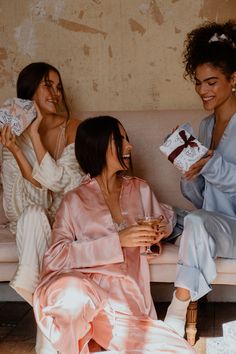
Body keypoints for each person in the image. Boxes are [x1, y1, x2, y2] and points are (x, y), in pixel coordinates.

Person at [33, 116, 195, 354]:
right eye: (120, 140)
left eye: (126, 140)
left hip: (126, 307)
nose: (129, 147)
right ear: (98, 145)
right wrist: (117, 241)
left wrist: (158, 232)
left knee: (182, 351)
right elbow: (55, 257)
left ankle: (97, 344)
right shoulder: (74, 200)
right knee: (73, 298)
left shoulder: (140, 189)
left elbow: (163, 222)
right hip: (83, 293)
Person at [164, 20, 236, 340]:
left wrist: (211, 164)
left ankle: (175, 315)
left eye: (211, 82)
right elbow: (201, 199)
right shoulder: (205, 127)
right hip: (214, 224)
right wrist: (190, 173)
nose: (203, 90)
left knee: (194, 222)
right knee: (181, 216)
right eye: (198, 83)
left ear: (234, 80)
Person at [0, 62, 83, 306]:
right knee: (33, 214)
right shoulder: (12, 132)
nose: (56, 94)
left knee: (36, 213)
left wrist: (36, 135)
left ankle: (32, 291)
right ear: (30, 89)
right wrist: (15, 149)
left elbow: (65, 185)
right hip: (28, 224)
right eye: (48, 85)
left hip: (65, 223)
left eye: (58, 87)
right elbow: (20, 205)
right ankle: (43, 301)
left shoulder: (73, 128)